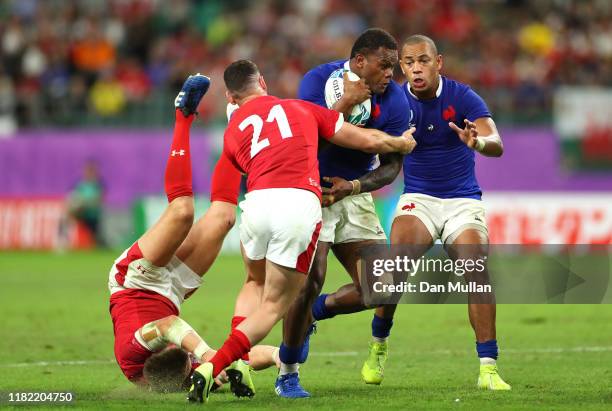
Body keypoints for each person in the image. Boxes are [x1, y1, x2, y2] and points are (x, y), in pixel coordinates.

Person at [187, 59, 416, 404]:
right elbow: (364, 140)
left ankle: (245, 357)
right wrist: (400, 144)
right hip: (301, 203)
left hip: (258, 205)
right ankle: (227, 366)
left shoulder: (233, 130)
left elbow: (232, 179)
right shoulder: (301, 106)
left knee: (258, 284)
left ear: (231, 99)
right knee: (283, 300)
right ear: (263, 81)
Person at [329, 34, 510, 389]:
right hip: (419, 199)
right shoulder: (394, 102)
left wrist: (479, 142)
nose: (416, 68)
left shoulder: (462, 96)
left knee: (476, 270)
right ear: (401, 67)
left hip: (462, 201)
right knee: (394, 269)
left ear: (438, 62)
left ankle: (488, 368)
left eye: (423, 61)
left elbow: (497, 144)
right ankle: (378, 345)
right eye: (408, 62)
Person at [109, 74, 278, 394]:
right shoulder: (185, 372)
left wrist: (207, 355)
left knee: (183, 212)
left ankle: (183, 115)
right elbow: (239, 356)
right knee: (224, 217)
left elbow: (168, 326)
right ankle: (237, 127)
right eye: (189, 358)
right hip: (172, 291)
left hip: (134, 282)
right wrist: (279, 356)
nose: (190, 354)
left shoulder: (133, 355)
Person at [278, 28, 412, 397]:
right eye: (385, 66)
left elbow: (390, 167)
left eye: (393, 66)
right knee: (308, 280)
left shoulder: (397, 102)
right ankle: (288, 371)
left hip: (351, 194)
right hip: (310, 189)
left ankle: (316, 312)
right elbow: (301, 140)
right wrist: (344, 106)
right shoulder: (318, 80)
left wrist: (353, 187)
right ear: (359, 62)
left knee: (386, 286)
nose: (391, 73)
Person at [67, 159, 105, 247]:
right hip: (82, 214)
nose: (89, 173)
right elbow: (73, 197)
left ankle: (98, 245)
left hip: (93, 215)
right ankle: (65, 241)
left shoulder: (97, 185)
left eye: (91, 171)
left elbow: (98, 200)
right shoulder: (81, 185)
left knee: (95, 238)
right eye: (88, 171)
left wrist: (85, 203)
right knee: (68, 218)